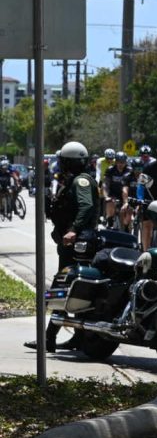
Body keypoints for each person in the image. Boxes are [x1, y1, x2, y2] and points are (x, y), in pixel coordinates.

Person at [24, 141, 100, 352]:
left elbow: (86, 206)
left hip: (77, 243)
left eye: (63, 161)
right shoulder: (73, 181)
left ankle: (49, 338)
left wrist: (73, 229)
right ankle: (76, 337)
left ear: (70, 162)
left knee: (63, 288)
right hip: (72, 243)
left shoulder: (81, 182)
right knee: (73, 289)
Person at [102, 151, 134, 229]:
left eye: (123, 162)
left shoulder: (130, 170)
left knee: (128, 213)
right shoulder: (110, 170)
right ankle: (110, 221)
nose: (120, 164)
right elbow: (105, 184)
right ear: (115, 161)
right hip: (113, 194)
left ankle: (126, 227)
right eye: (119, 162)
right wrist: (106, 196)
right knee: (109, 202)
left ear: (126, 162)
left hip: (126, 195)